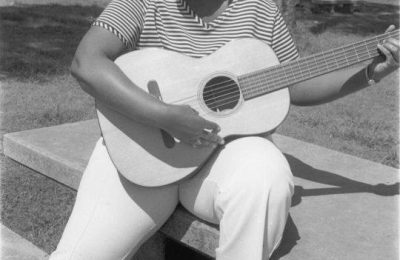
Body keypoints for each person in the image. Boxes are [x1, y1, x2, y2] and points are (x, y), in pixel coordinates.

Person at [49, 0, 399, 259]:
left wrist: (370, 72)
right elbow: (86, 63)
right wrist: (166, 116)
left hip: (220, 162)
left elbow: (294, 83)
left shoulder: (260, 11)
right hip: (139, 157)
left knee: (266, 174)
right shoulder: (142, 3)